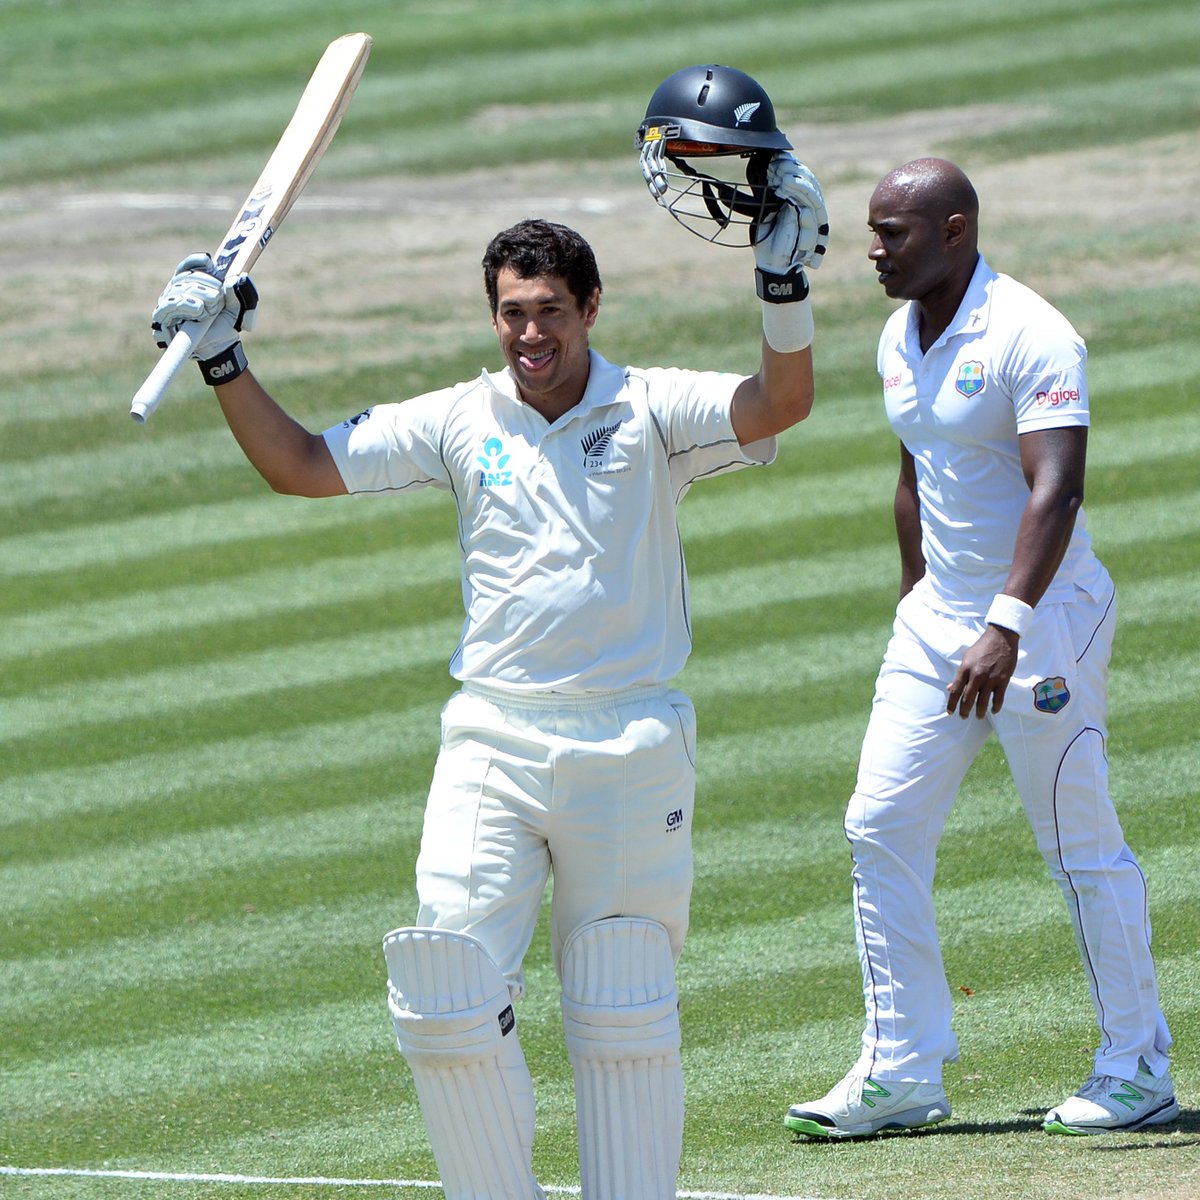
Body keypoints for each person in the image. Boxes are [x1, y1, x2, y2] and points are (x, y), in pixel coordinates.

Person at [150, 65, 828, 1199]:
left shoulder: (652, 408)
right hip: (492, 743)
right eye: (511, 313)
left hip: (629, 743)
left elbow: (780, 405)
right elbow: (304, 465)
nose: (529, 335)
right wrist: (226, 359)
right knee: (445, 990)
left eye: (548, 312)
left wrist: (783, 288)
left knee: (622, 1003)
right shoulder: (462, 417)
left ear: (590, 309)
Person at [783, 157, 1176, 1141]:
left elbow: (1058, 491)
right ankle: (903, 1070)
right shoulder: (895, 331)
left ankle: (1136, 1069)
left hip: (1045, 621)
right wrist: (918, 603)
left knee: (1078, 845)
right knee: (879, 824)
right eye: (872, 230)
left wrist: (1002, 624)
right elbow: (919, 468)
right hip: (941, 627)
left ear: (955, 230)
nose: (873, 250)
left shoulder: (1033, 335)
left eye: (895, 233)